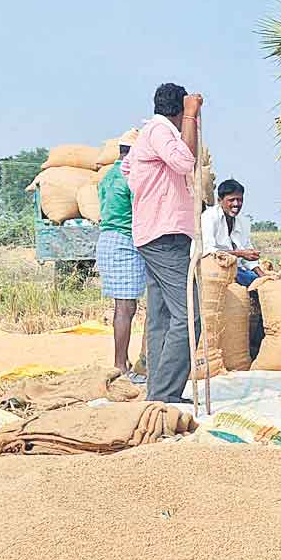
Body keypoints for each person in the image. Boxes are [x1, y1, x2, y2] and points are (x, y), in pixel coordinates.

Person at [121, 82, 203, 404]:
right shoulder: (159, 131)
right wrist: (192, 117)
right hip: (164, 235)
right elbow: (184, 162)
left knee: (162, 318)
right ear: (178, 110)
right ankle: (166, 393)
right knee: (189, 315)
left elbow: (129, 168)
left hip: (156, 233)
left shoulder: (151, 133)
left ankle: (158, 392)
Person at [95, 128, 144, 378]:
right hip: (124, 241)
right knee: (125, 307)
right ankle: (120, 365)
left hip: (108, 240)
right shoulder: (129, 176)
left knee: (124, 306)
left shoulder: (108, 176)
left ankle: (122, 360)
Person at [202, 179, 263, 287]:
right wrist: (240, 254)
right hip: (213, 269)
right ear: (220, 200)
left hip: (235, 269)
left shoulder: (242, 221)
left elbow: (247, 251)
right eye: (231, 200)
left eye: (240, 200)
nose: (236, 204)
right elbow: (208, 251)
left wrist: (261, 275)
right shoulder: (209, 217)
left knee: (259, 283)